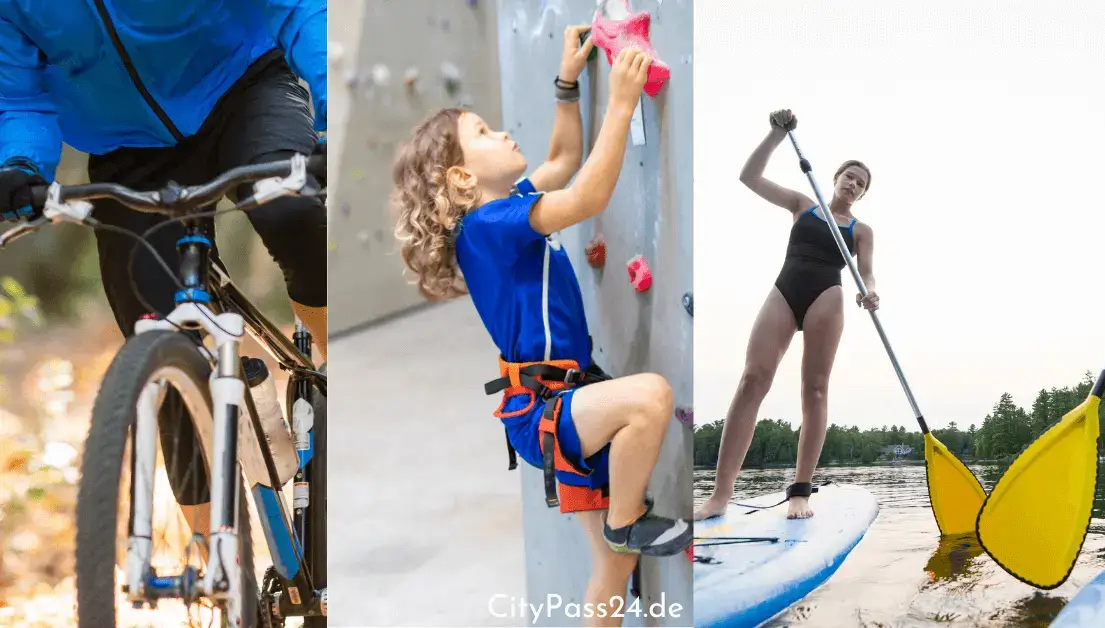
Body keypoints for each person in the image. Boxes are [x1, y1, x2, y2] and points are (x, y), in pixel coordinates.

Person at [0, 0, 327, 553]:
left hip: (243, 89)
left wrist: (328, 109)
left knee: (290, 210)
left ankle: (328, 356)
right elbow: (17, 94)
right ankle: (215, 571)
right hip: (126, 147)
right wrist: (21, 166)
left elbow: (294, 8)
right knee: (155, 337)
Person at [391, 26, 690, 623]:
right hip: (549, 411)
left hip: (560, 404)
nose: (502, 132)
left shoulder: (499, 215)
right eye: (483, 133)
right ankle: (627, 523)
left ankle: (621, 538)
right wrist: (624, 98)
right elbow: (586, 196)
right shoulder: (489, 229)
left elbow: (563, 161)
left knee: (612, 569)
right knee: (651, 399)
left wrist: (567, 84)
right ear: (461, 179)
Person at [693, 109, 877, 521]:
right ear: (835, 178)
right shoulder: (803, 203)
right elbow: (750, 177)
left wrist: (871, 292)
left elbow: (865, 272)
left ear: (862, 195)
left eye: (861, 184)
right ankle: (720, 494)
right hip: (785, 289)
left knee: (814, 390)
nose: (853, 185)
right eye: (849, 176)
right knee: (751, 379)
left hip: (826, 297)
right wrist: (775, 135)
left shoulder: (861, 230)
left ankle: (800, 492)